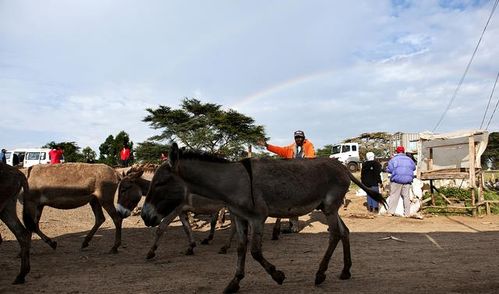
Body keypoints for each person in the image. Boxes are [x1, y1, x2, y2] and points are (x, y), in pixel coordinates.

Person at [258, 130, 316, 233]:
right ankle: (294, 226)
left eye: (300, 137)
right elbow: (280, 150)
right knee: (291, 200)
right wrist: (267, 145)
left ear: (303, 138)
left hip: (305, 177)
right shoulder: (291, 148)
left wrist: (299, 165)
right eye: (297, 137)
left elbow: (311, 159)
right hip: (294, 179)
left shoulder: (308, 146)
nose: (299, 139)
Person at [386, 146, 416, 217]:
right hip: (407, 180)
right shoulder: (409, 159)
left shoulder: (393, 159)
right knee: (406, 197)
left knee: (394, 196)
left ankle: (391, 212)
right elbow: (414, 168)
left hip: (397, 180)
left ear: (397, 151)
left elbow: (389, 169)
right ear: (404, 151)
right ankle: (407, 213)